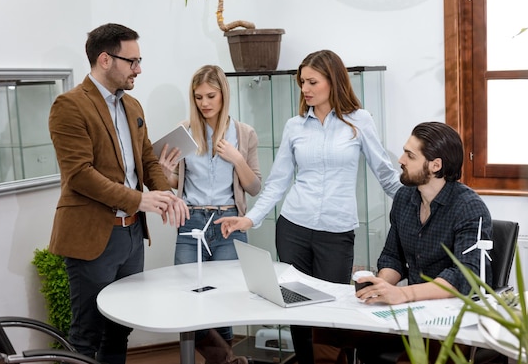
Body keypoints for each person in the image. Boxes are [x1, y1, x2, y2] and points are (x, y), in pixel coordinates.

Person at [215, 49, 402, 364]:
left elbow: (384, 172)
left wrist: (420, 203)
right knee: (296, 309)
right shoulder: (295, 126)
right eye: (302, 82)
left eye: (312, 81)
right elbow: (277, 181)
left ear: (333, 81)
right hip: (293, 228)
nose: (305, 88)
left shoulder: (359, 121)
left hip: (336, 232)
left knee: (334, 311)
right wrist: (250, 219)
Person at [48, 23, 191, 364]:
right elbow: (80, 175)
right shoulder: (68, 106)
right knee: (88, 332)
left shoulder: (133, 106)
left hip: (131, 236)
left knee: (119, 326)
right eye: (133, 61)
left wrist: (165, 193)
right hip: (92, 237)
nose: (138, 69)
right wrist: (140, 200)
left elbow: (147, 161)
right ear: (104, 60)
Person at [312, 121, 493, 364]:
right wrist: (380, 286)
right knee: (325, 331)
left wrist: (402, 294)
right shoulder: (405, 197)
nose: (400, 159)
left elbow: (465, 276)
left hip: (447, 320)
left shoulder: (469, 208)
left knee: (412, 360)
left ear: (435, 165)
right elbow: (392, 256)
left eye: (410, 155)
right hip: (408, 312)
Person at [158, 64, 261, 356]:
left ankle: (222, 361)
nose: (204, 103)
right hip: (192, 221)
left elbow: (254, 188)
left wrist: (237, 159)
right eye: (198, 97)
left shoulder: (244, 133)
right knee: (188, 300)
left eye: (210, 96)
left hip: (229, 222)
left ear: (223, 95)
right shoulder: (185, 133)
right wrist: (165, 174)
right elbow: (177, 182)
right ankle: (227, 360)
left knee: (226, 303)